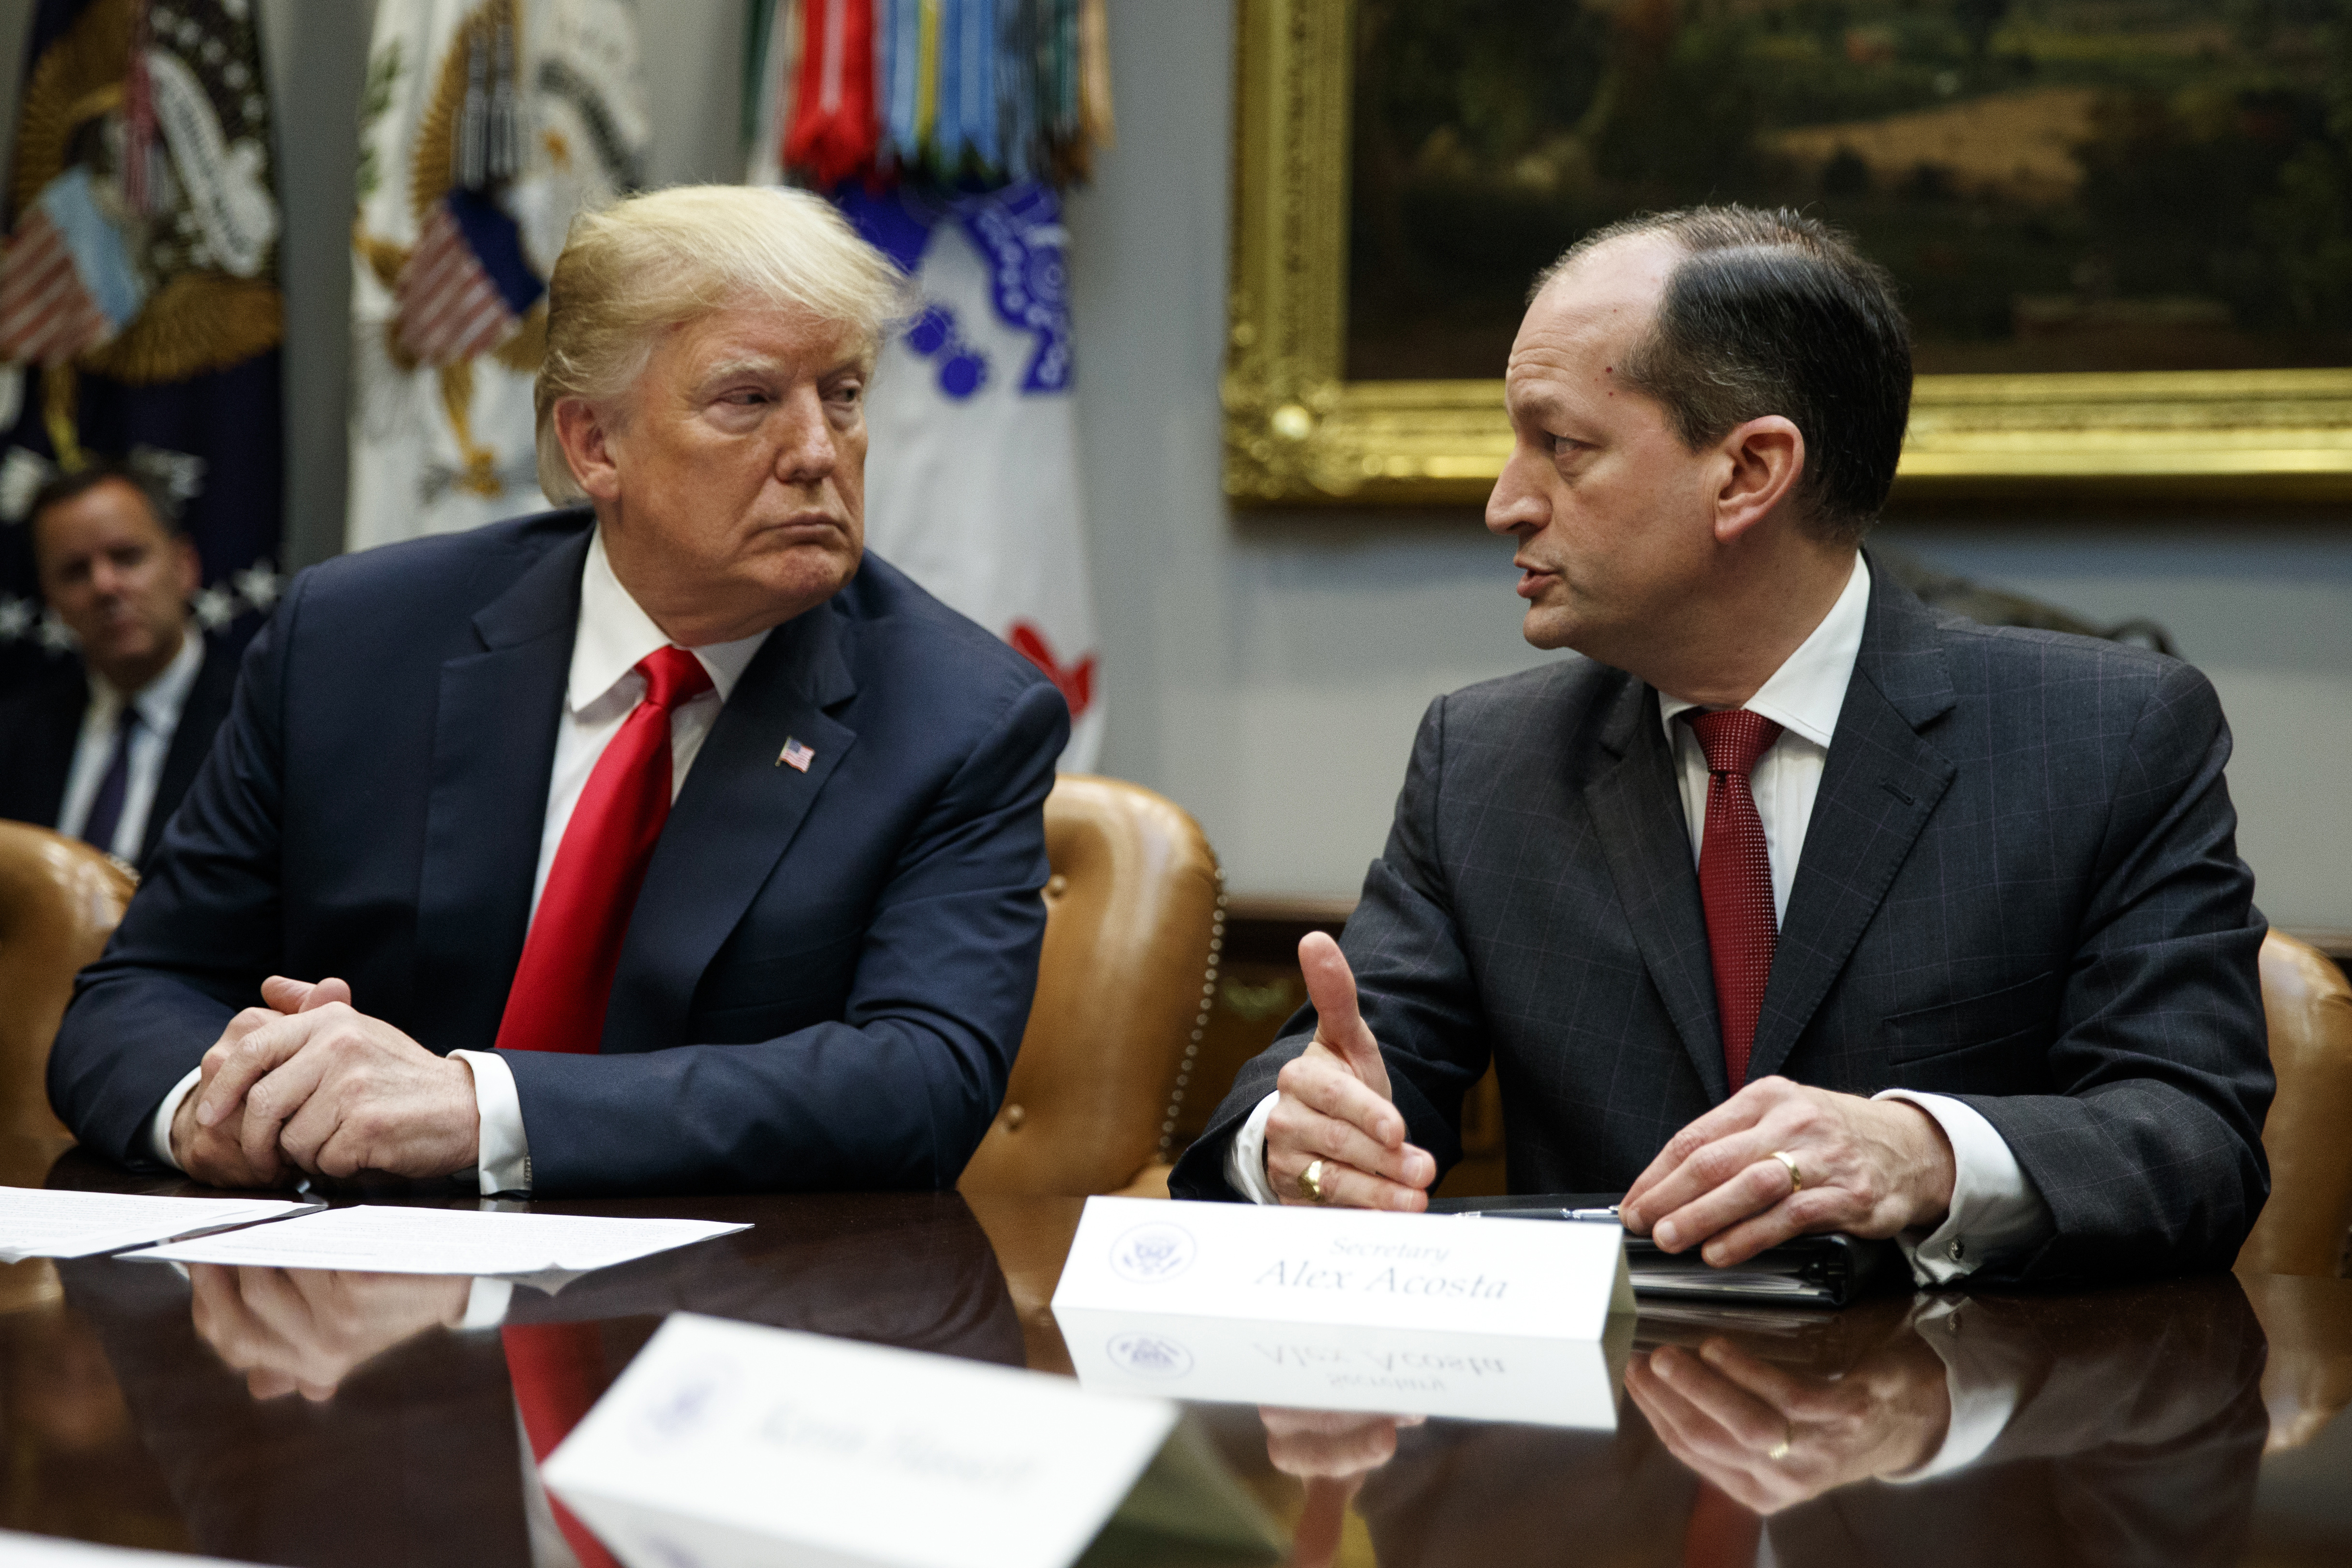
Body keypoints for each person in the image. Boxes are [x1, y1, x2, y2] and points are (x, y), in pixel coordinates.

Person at [1170, 207, 2271, 1287]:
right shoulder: (1486, 761)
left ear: (1747, 472)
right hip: (1596, 1434)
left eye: (1560, 447)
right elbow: (1358, 1066)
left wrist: (1924, 1154)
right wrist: (1295, 1136)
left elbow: (2191, 1142)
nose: (1505, 501)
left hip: (1958, 1433)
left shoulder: (2102, 737)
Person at [48, 184, 1068, 1195]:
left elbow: (924, 1083)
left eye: (842, 394)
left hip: (713, 1314)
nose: (816, 452)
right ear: (594, 444)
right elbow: (138, 993)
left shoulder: (960, 719)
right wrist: (212, 1110)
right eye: (749, 400)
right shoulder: (354, 641)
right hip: (336, 1307)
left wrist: (481, 1111)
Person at [0, 464, 241, 872]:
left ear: (185, 565)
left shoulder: (258, 724)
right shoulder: (14, 736)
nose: (105, 586)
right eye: (76, 571)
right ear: (51, 599)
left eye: (127, 557)